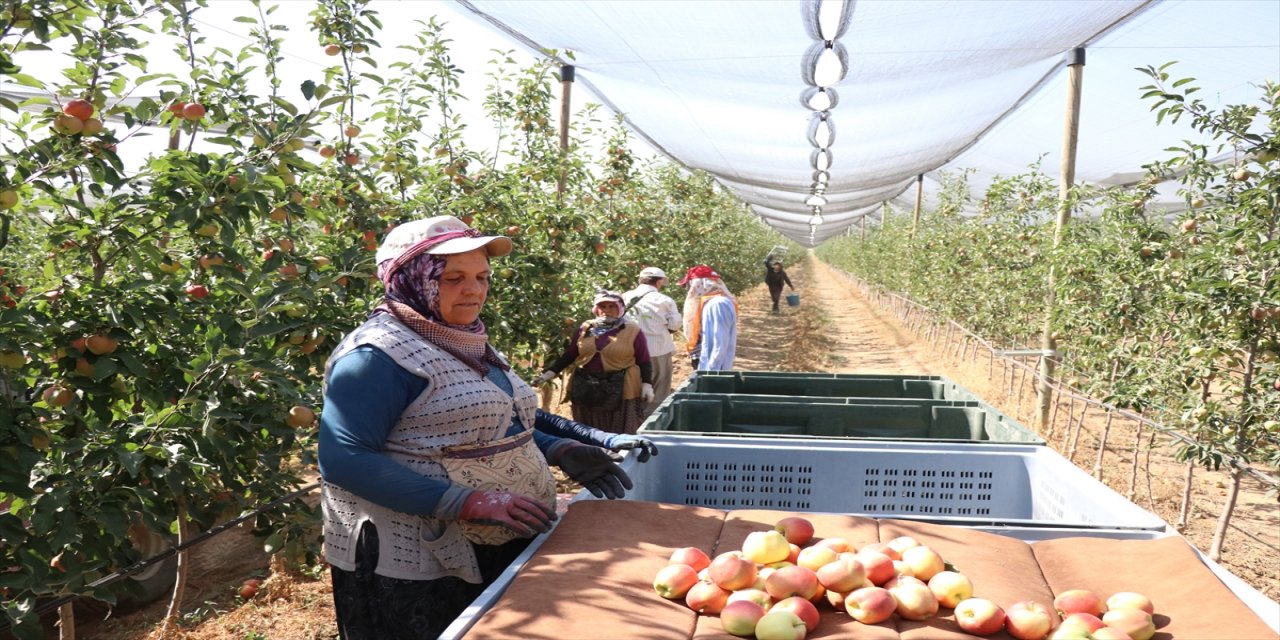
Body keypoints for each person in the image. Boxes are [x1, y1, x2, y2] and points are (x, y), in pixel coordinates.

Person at [316, 215, 652, 640]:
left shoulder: (464, 338)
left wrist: (562, 448)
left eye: (481, 276)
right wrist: (465, 501)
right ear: (411, 279)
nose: (474, 290)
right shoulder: (375, 357)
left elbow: (507, 417)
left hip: (494, 540)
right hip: (417, 558)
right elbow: (343, 458)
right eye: (453, 277)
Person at [535, 290, 654, 434]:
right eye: (603, 307)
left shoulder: (632, 331)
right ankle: (591, 453)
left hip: (621, 386)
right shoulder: (586, 328)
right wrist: (550, 372)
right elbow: (571, 354)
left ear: (620, 309)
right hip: (586, 385)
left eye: (611, 307)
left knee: (618, 427)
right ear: (596, 309)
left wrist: (647, 384)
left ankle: (618, 454)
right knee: (587, 427)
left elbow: (644, 360)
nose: (606, 311)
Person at [622, 266, 683, 415]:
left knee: (631, 388)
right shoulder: (665, 300)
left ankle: (631, 420)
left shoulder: (625, 297)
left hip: (630, 350)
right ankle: (650, 421)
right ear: (659, 282)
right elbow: (675, 325)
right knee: (659, 390)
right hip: (658, 350)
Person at [678, 265, 738, 371]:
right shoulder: (710, 302)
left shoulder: (718, 304)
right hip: (705, 361)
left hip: (712, 367)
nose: (689, 290)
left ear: (700, 284)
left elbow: (720, 342)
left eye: (689, 285)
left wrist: (711, 371)